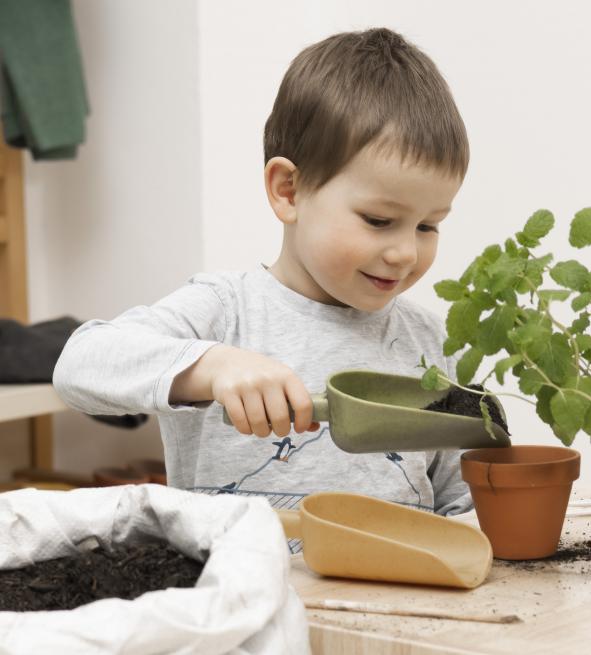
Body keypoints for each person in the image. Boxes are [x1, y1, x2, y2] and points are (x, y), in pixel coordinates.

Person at [54, 27, 471, 517]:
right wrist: (212, 368)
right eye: (378, 220)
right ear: (288, 190)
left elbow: (461, 501)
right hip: (233, 569)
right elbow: (80, 364)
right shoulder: (225, 312)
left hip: (401, 571)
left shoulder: (431, 345)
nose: (404, 253)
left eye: (427, 226)